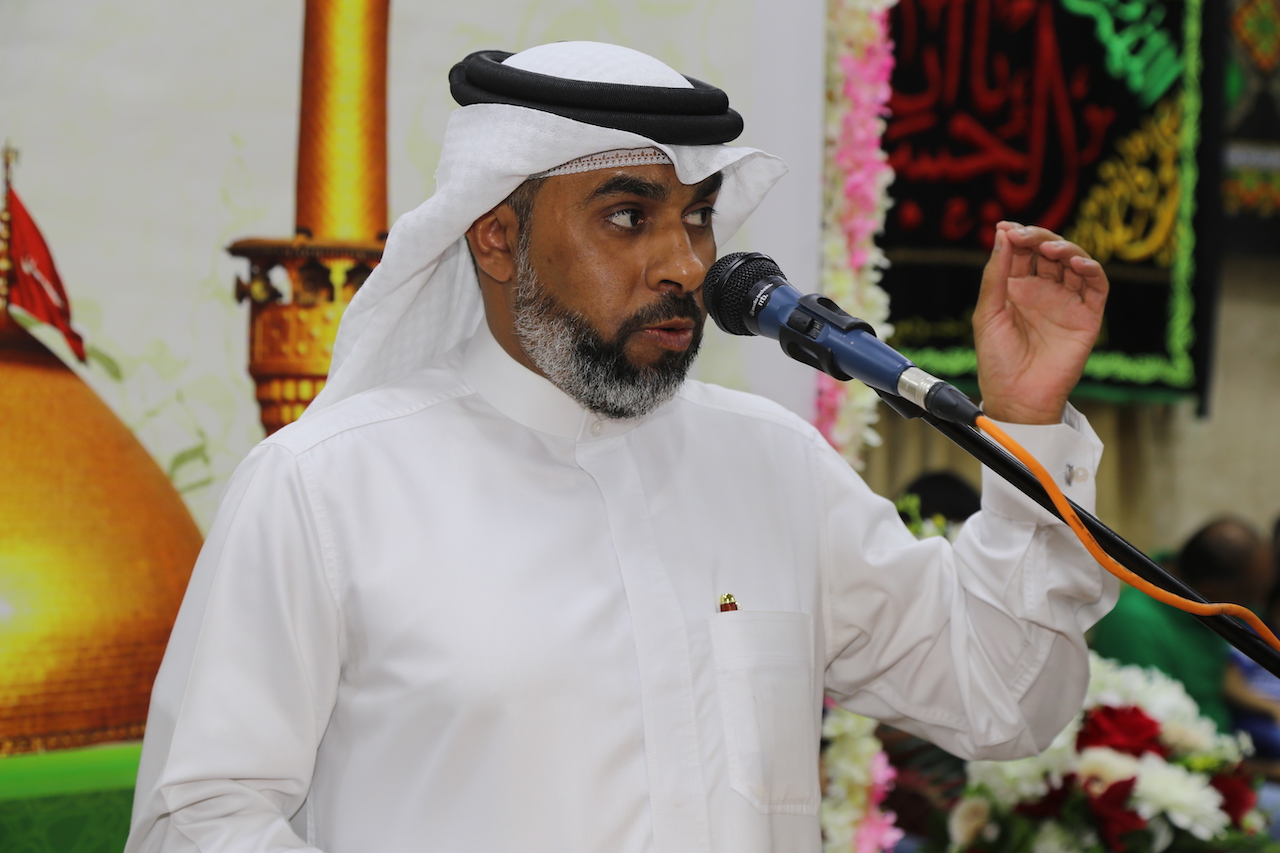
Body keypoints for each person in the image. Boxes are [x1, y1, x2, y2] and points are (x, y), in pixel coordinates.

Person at [125, 42, 1115, 853]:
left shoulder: (773, 468)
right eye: (628, 217)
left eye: (697, 218)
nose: (684, 264)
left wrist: (1025, 420)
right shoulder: (327, 486)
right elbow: (200, 818)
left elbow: (1003, 699)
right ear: (496, 237)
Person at [1091, 517, 1272, 733]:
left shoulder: (1218, 600)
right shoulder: (1134, 623)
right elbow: (1153, 727)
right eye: (1250, 596)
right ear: (1211, 590)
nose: (1258, 606)